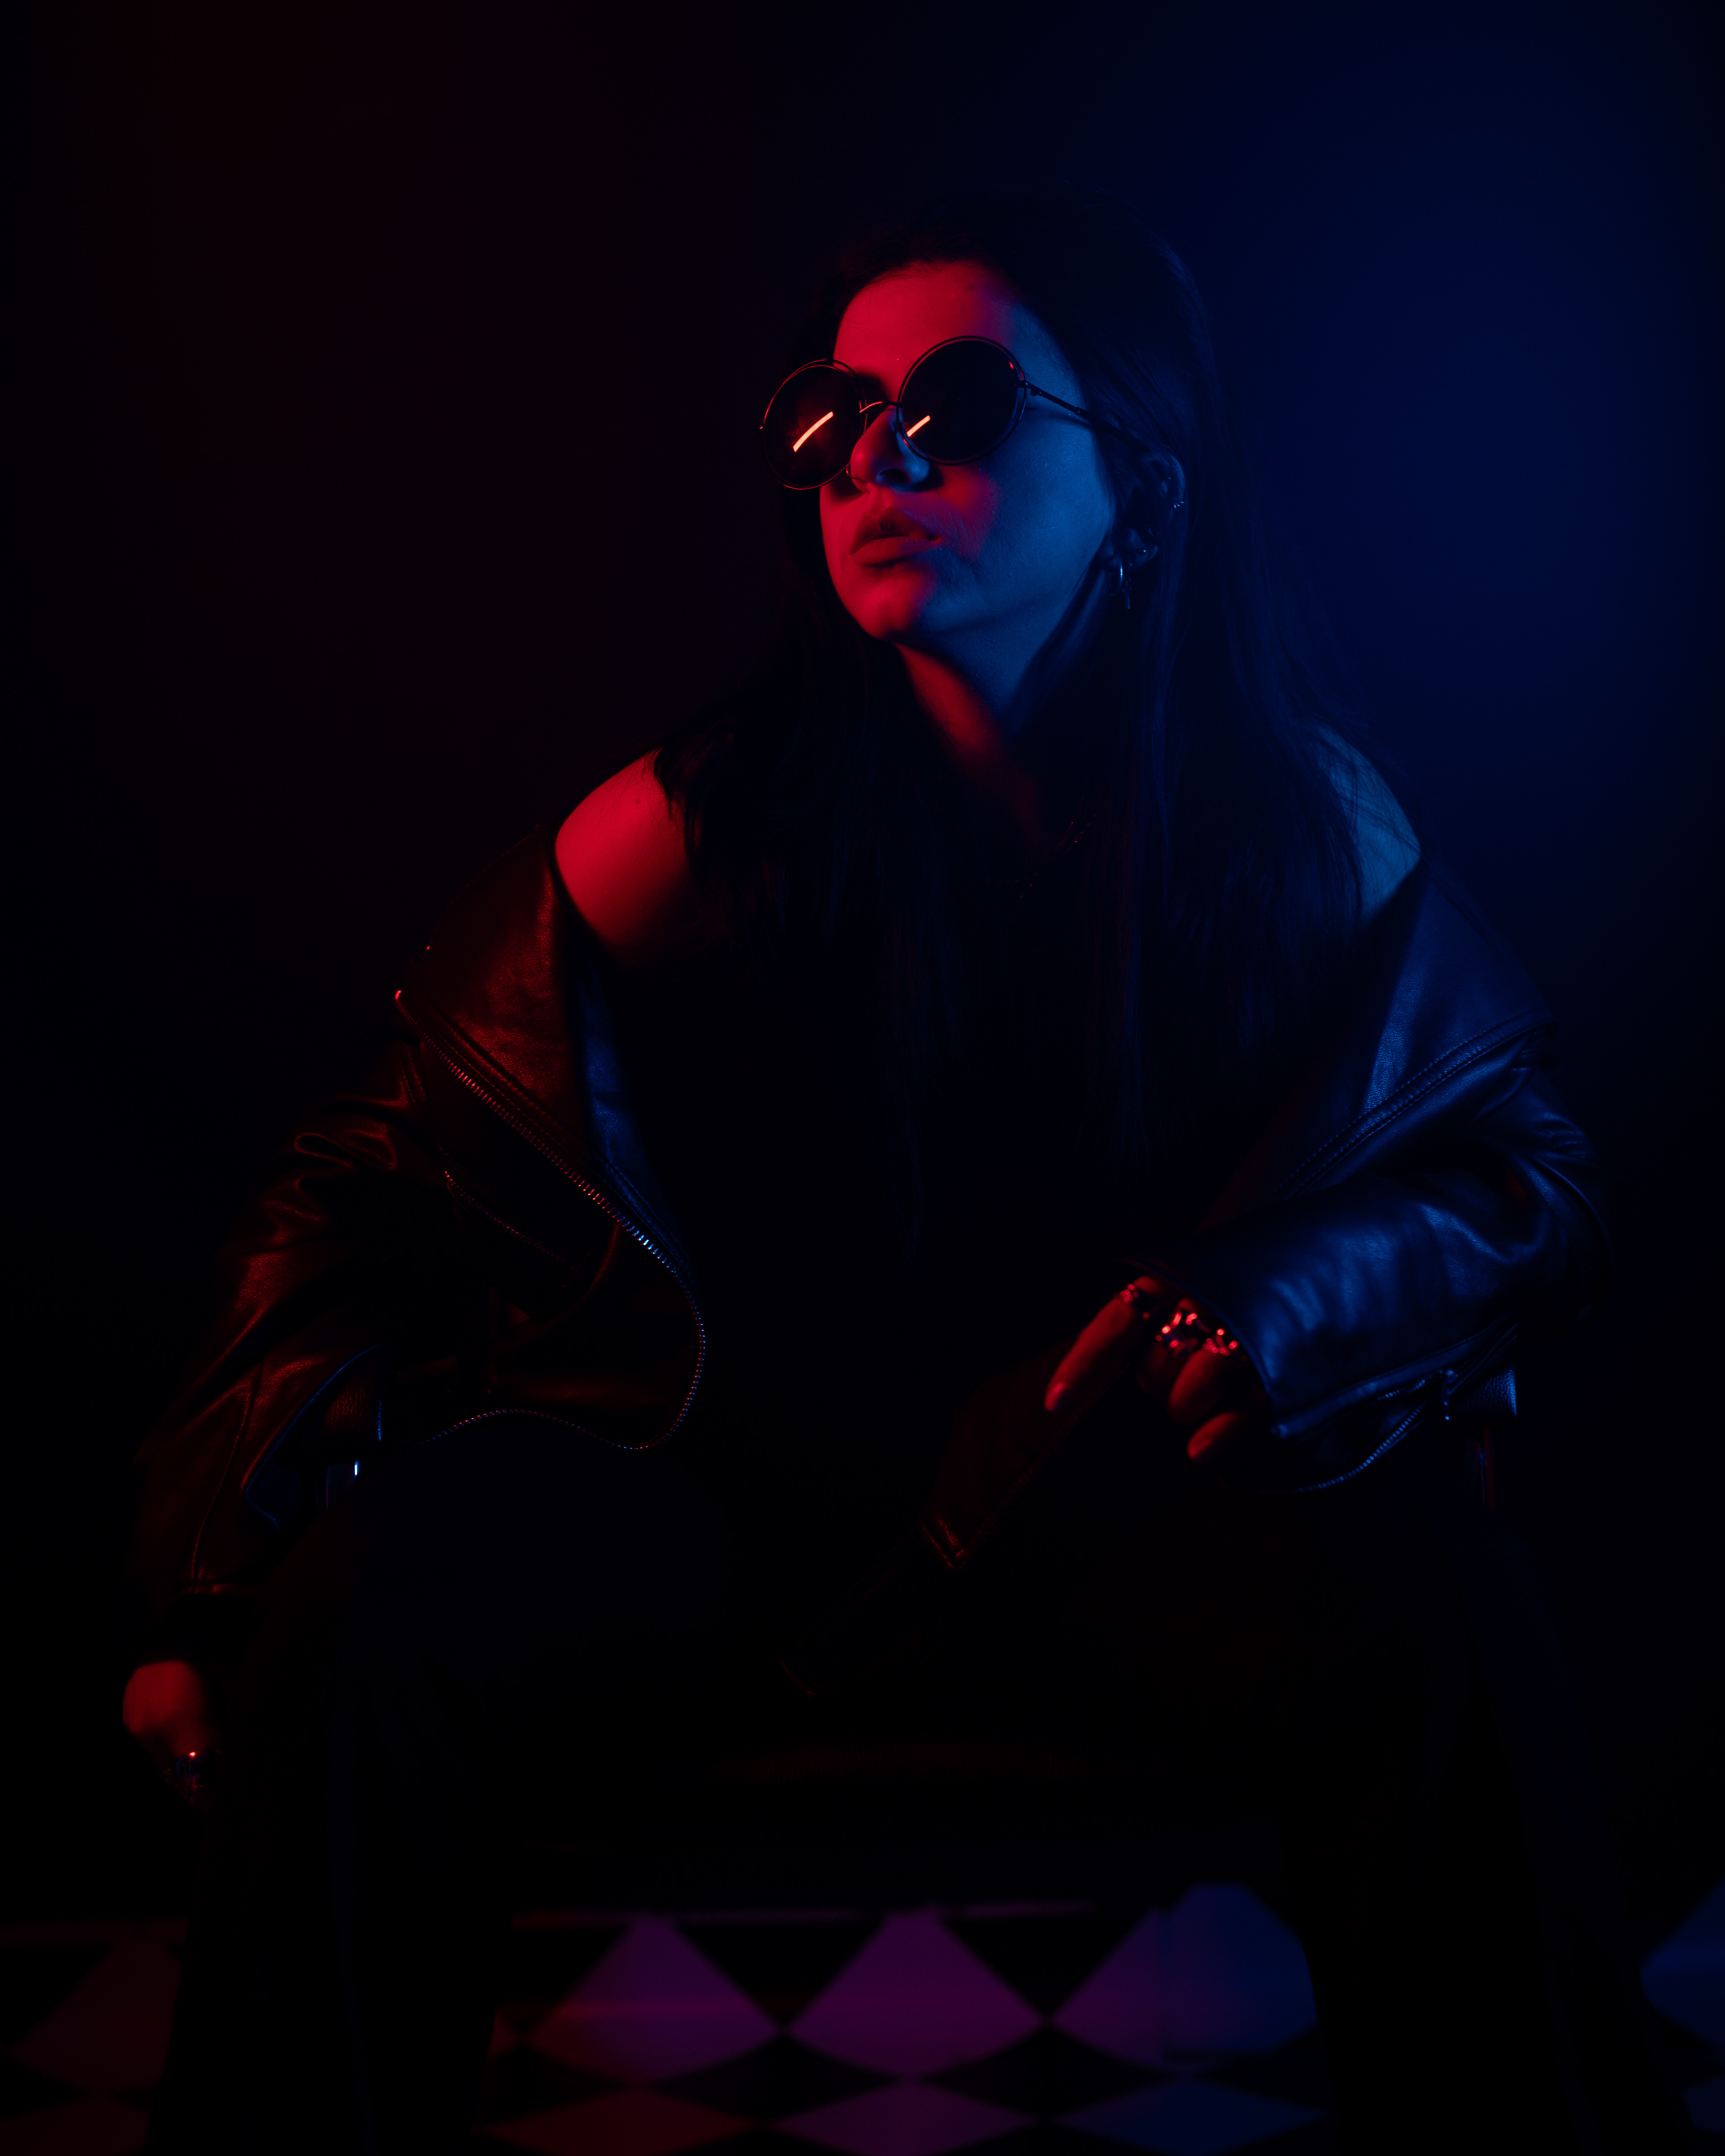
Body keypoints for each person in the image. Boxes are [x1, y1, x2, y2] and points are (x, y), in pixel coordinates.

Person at [122, 186, 1685, 2152]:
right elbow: (366, 1170)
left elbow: (1530, 1178)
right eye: (837, 415)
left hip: (1124, 1511)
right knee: (384, 1585)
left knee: (1444, 1598)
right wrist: (207, 1578)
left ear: (1145, 486)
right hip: (721, 1511)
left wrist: (1280, 1300)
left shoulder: (1302, 828)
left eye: (960, 404)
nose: (880, 458)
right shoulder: (698, 824)